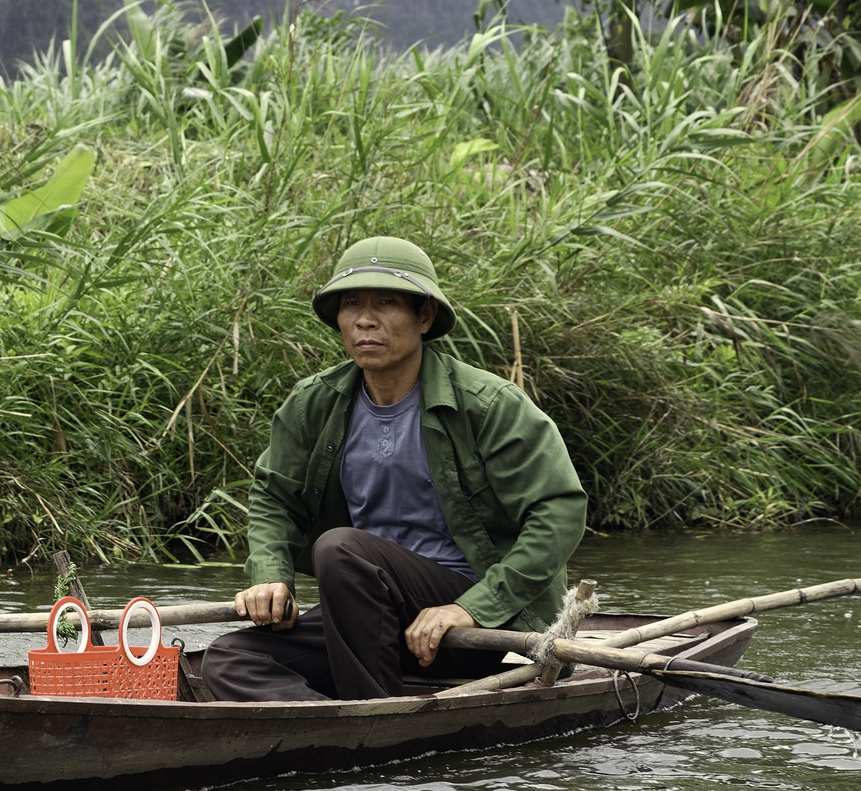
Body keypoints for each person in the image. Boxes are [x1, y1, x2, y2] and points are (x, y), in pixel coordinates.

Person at [201, 236, 587, 701]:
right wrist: (270, 575)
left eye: (386, 303)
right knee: (229, 659)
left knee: (341, 549)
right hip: (361, 614)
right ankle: (333, 733)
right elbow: (273, 497)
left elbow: (559, 513)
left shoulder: (489, 405)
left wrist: (470, 608)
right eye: (352, 304)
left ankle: (372, 721)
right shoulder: (314, 403)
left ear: (424, 317)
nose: (365, 319)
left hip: (464, 625)